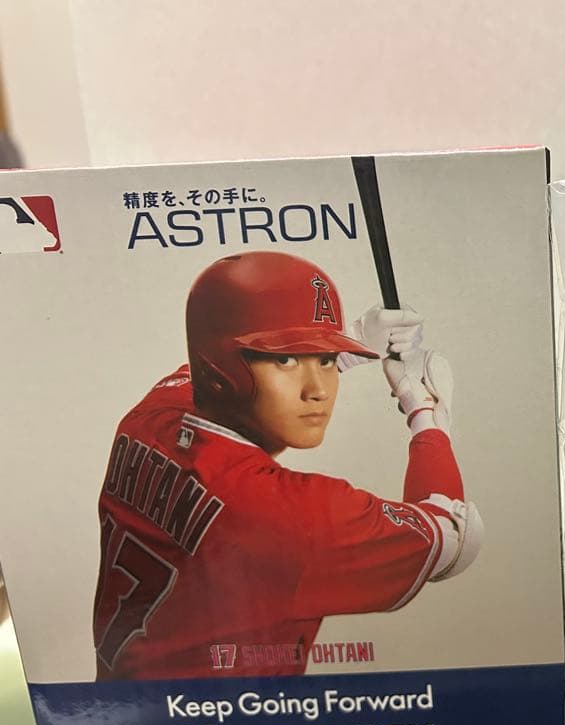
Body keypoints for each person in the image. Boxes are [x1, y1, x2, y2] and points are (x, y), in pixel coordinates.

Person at [92, 251, 481, 681]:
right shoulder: (295, 517)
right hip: (236, 720)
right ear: (222, 369)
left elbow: (217, 391)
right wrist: (425, 411)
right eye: (285, 360)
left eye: (326, 360)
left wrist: (352, 340)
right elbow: (453, 531)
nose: (318, 391)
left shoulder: (149, 417)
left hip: (121, 711)